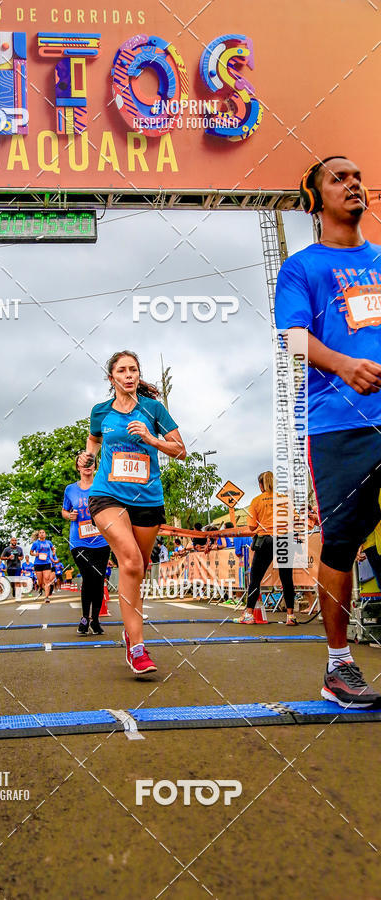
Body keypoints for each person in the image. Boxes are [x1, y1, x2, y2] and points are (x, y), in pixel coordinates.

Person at [275, 155, 381, 707]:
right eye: (338, 178)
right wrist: (343, 365)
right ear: (315, 200)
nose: (353, 184)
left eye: (357, 176)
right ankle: (339, 665)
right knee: (342, 540)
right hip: (338, 422)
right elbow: (291, 339)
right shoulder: (302, 269)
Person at [78, 350, 186, 675]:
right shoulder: (100, 412)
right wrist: (88, 457)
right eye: (122, 370)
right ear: (111, 378)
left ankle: (130, 629)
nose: (128, 375)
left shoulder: (153, 408)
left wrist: (151, 439)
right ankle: (138, 648)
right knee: (131, 562)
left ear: (139, 375)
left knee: (137, 571)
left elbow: (180, 450)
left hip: (147, 499)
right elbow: (93, 439)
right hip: (107, 495)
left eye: (134, 370)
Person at [234, 472, 297, 626]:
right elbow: (294, 519)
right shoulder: (285, 499)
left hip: (266, 539)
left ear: (261, 485)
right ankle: (290, 616)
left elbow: (252, 526)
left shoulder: (256, 501)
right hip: (284, 539)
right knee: (287, 578)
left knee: (255, 579)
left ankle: (249, 614)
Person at [62, 452, 111, 635]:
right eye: (84, 464)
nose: (87, 466)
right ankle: (84, 618)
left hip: (101, 541)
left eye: (91, 463)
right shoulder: (70, 490)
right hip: (79, 542)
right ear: (78, 468)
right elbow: (64, 511)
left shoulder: (102, 486)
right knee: (89, 577)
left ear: (94, 466)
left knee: (98, 581)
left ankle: (95, 620)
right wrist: (69, 515)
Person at [30, 529, 56, 603]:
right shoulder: (35, 543)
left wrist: (53, 553)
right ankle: (40, 588)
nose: (42, 534)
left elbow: (53, 549)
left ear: (45, 534)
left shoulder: (49, 542)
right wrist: (35, 554)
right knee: (40, 582)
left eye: (43, 533)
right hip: (38, 563)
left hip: (47, 563)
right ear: (38, 535)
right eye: (40, 533)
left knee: (46, 580)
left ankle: (47, 597)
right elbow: (31, 552)